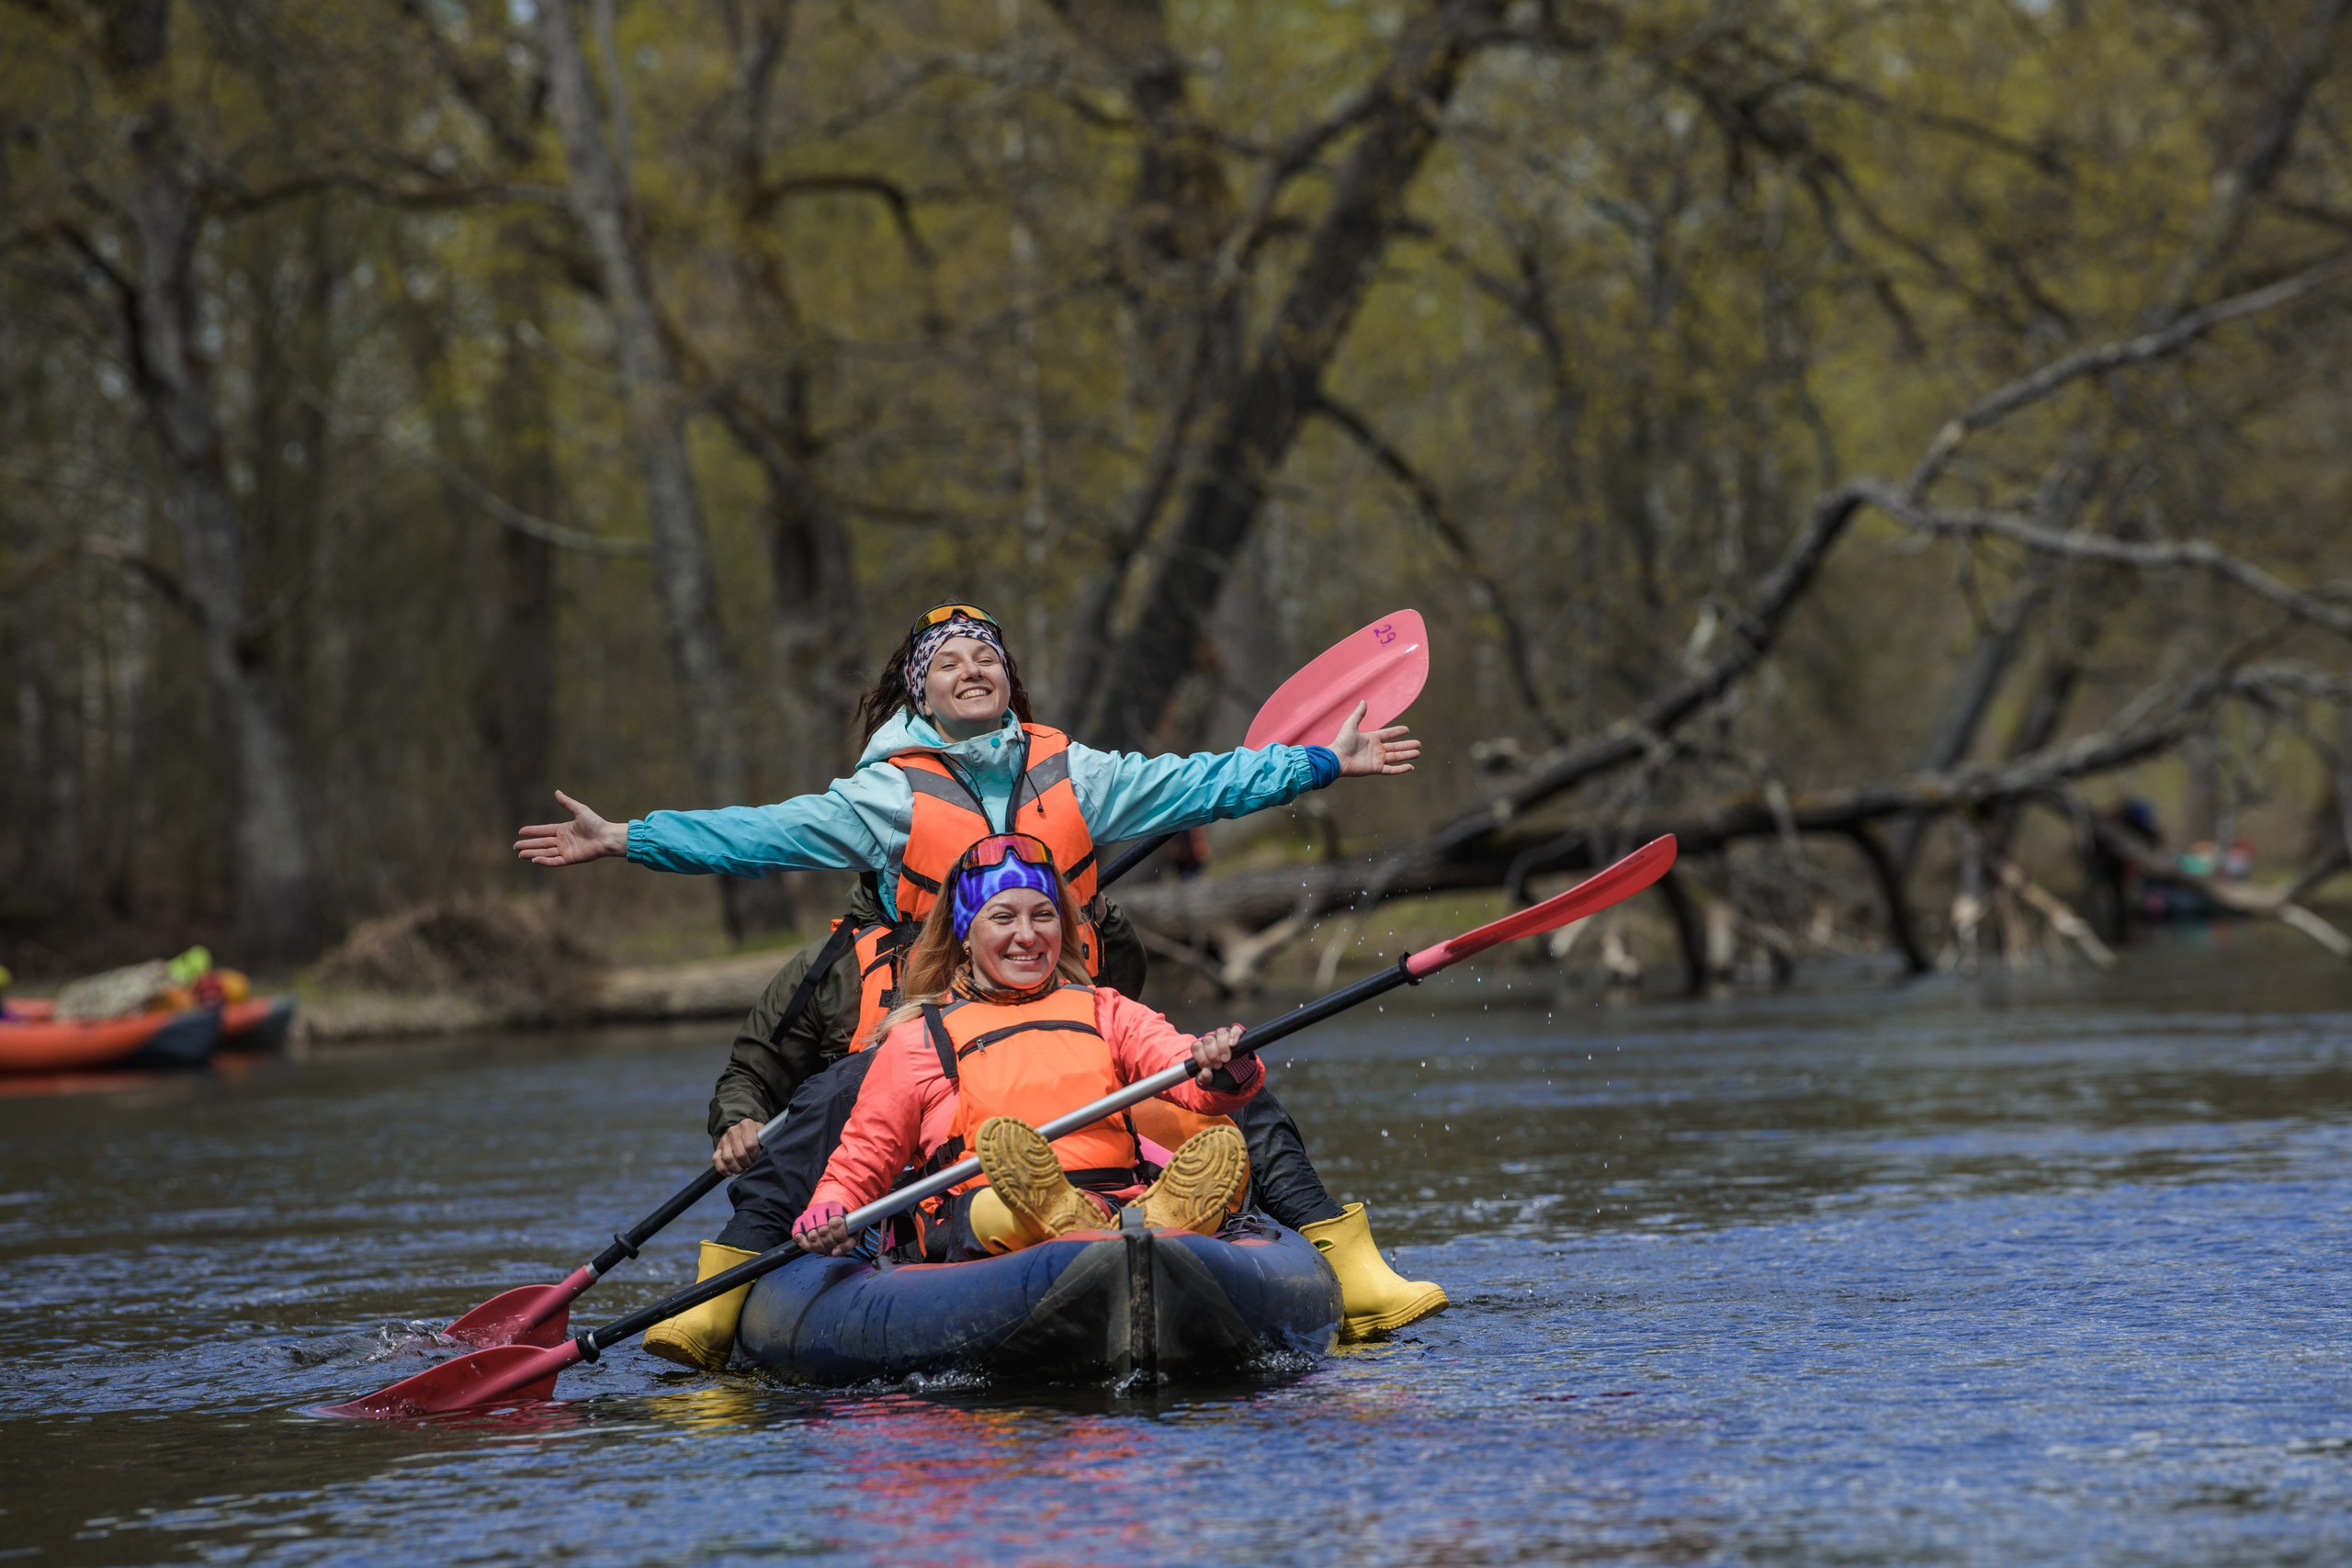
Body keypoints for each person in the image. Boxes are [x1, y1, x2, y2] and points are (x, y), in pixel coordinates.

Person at [516, 601, 1445, 1359]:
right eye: (949, 658)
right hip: (939, 1020)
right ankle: (719, 1298)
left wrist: (1324, 761)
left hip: (1077, 1006)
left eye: (987, 655)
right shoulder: (885, 795)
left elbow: (1203, 782)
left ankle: (1344, 1261)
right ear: (919, 690)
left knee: (1228, 1080)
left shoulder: (1079, 772)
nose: (973, 666)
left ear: (1009, 681)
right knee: (828, 1111)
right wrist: (631, 838)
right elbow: (762, 833)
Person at [789, 834, 1259, 1268]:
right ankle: (1082, 1217)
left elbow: (1194, 1080)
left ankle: (1127, 1218)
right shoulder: (920, 1038)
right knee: (997, 1208)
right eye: (1003, 917)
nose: (1028, 935)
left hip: (1114, 1198)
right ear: (965, 935)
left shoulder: (1104, 1010)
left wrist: (1223, 1061)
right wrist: (833, 1205)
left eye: (1042, 915)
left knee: (1194, 1183)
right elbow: (864, 1157)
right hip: (989, 1219)